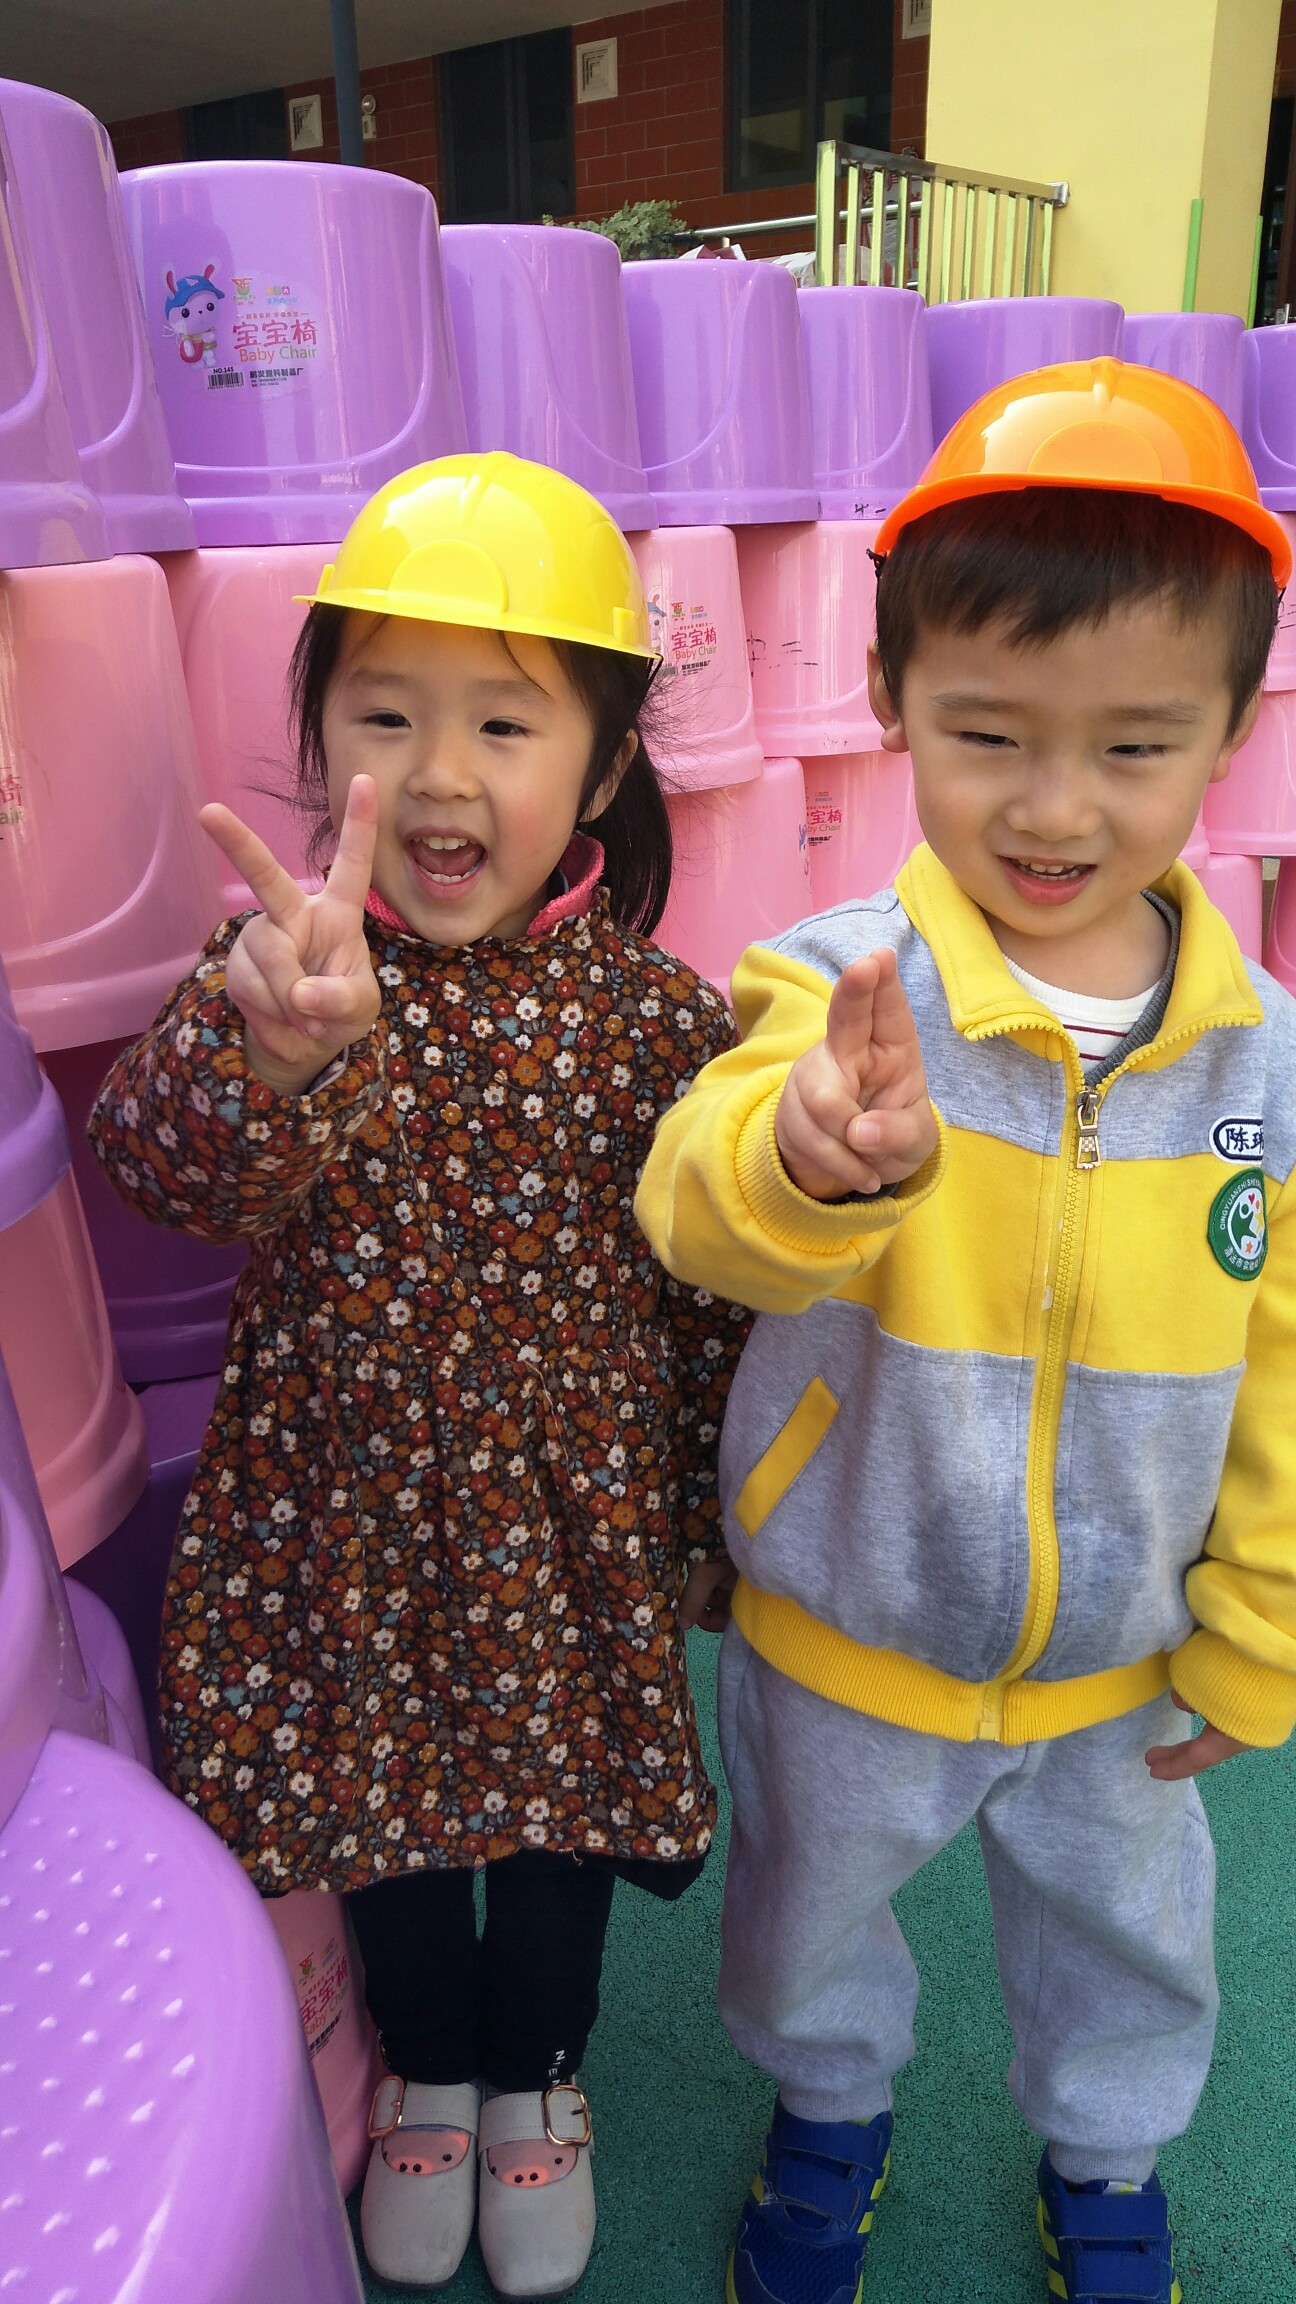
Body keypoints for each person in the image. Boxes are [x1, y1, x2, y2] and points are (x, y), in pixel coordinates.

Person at [635, 361, 1296, 2304]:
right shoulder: (835, 982)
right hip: (844, 1636)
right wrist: (808, 1163)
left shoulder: (1264, 1063)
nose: (1055, 806)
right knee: (799, 1934)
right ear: (889, 695)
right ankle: (828, 2115)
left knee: (1136, 1952)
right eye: (988, 732)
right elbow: (691, 1205)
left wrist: (1259, 1623)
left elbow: (1284, 1372)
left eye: (1135, 746)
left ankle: (1110, 2162)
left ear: (1232, 732)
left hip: (1119, 1670)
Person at [89, 453, 749, 2300]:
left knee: (554, 1831)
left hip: (567, 1535)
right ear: (323, 742)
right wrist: (274, 1059)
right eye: (386, 714)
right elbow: (158, 1167)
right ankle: (431, 2079)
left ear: (601, 774)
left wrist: (712, 1514)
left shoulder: (657, 1019)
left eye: (504, 724)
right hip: (345, 1520)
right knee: (371, 1822)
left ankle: (538, 2077)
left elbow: (712, 1295)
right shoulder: (283, 973)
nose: (442, 774)